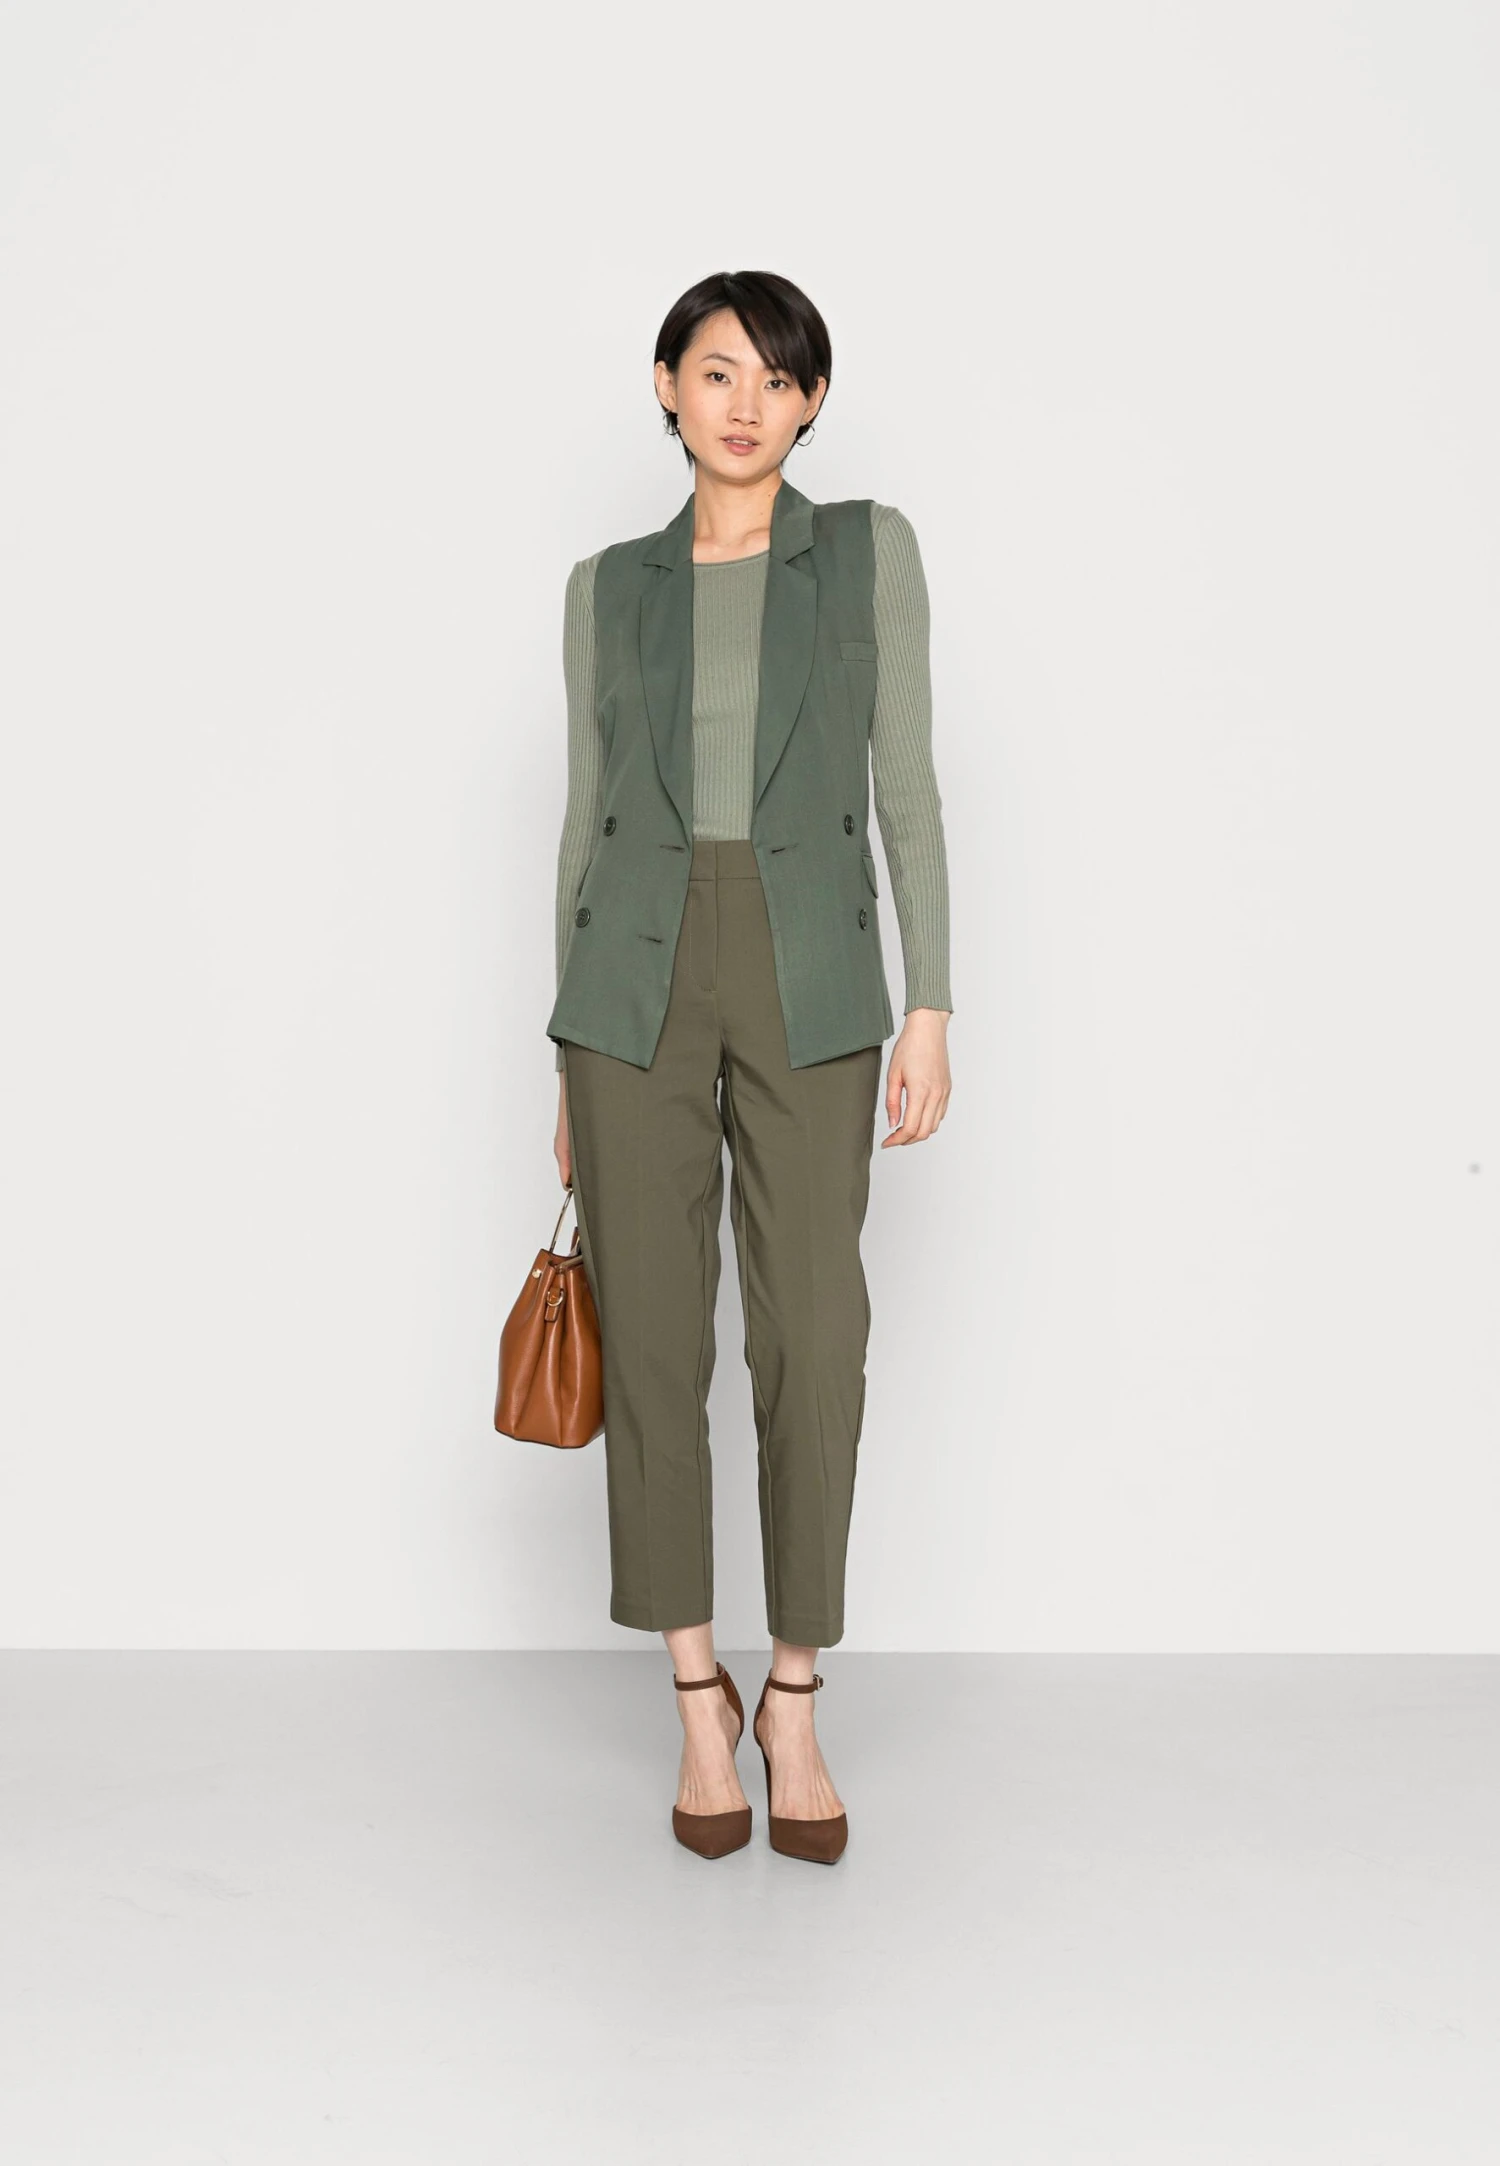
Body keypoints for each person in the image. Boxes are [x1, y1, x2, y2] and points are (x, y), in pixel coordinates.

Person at [545, 269, 953, 1864]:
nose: (748, 404)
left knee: (813, 1332)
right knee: (653, 1334)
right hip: (630, 983)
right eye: (718, 371)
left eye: (781, 380)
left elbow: (906, 782)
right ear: (667, 383)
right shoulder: (608, 586)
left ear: (812, 404)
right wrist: (562, 1051)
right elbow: (582, 820)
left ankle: (792, 1691)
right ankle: (695, 1694)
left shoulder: (864, 552)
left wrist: (932, 1003)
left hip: (810, 966)